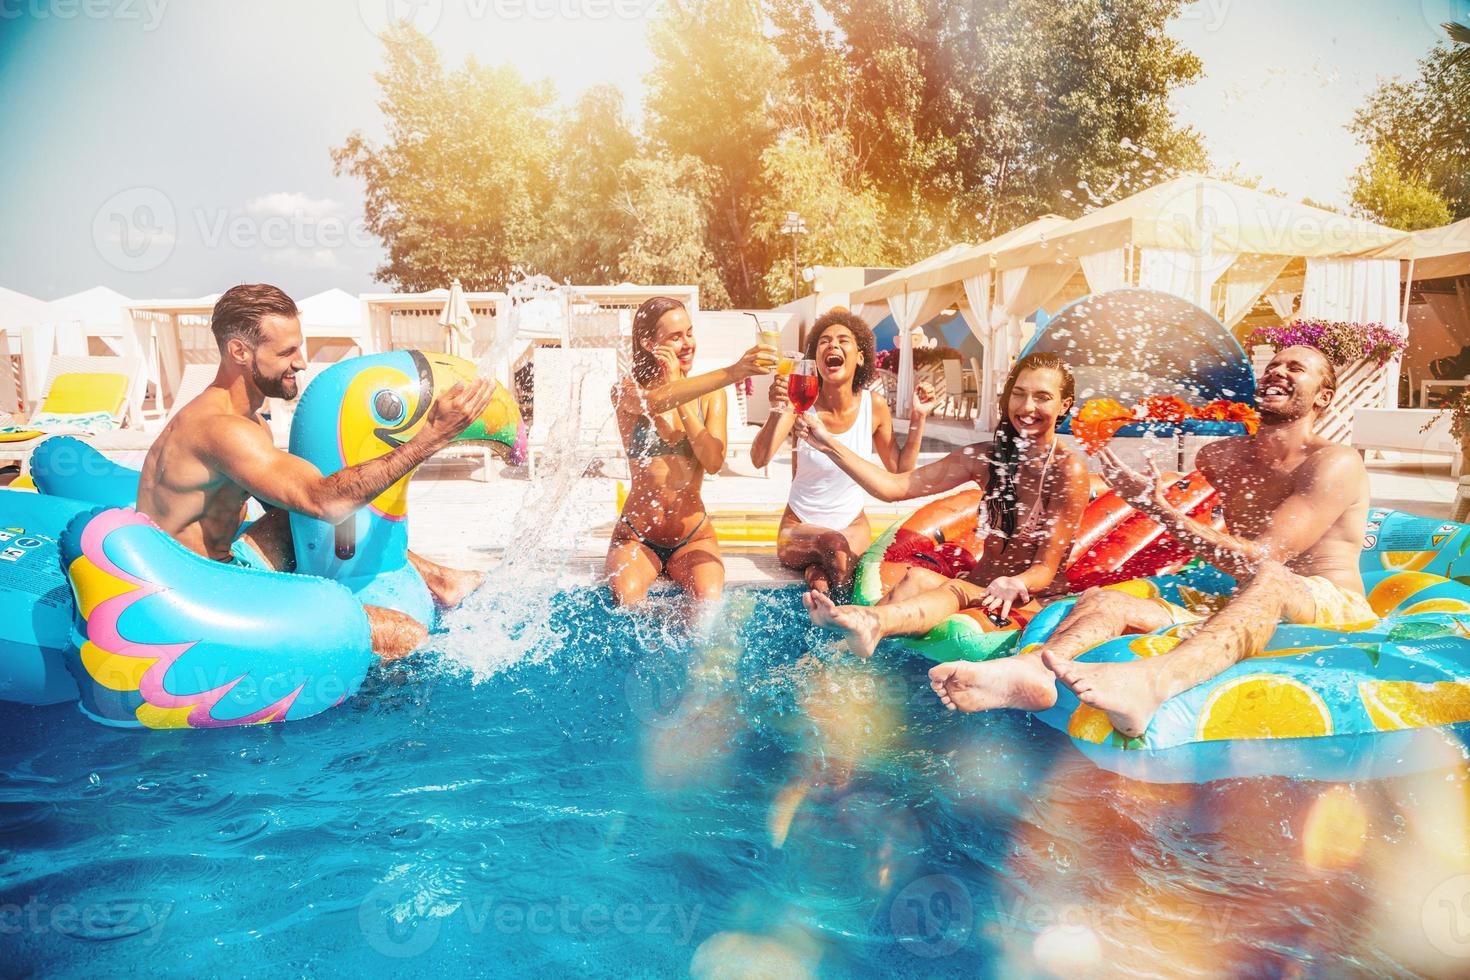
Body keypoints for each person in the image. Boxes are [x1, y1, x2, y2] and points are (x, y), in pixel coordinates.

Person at [929, 345, 1372, 740]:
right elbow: (1228, 550)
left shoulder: (1335, 462)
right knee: (1105, 600)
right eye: (1273, 364)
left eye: (1296, 368)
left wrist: (1158, 509)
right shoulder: (1223, 458)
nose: (1278, 371)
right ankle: (1033, 672)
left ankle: (1151, 685)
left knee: (1271, 577)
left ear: (1324, 397)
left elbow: (1262, 559)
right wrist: (1146, 499)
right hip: (1244, 599)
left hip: (1326, 604)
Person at [135, 283, 490, 660]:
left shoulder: (248, 421)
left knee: (320, 516)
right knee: (405, 634)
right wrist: (431, 438)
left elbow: (298, 509)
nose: (301, 362)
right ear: (239, 351)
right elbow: (325, 503)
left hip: (223, 567)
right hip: (199, 597)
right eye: (286, 351)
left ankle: (439, 579)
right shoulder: (221, 429)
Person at [798, 352, 1091, 657]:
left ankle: (870, 623)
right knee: (917, 578)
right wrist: (827, 443)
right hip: (979, 585)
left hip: (1027, 600)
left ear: (1064, 405)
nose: (1027, 406)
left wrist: (1015, 582)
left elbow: (1045, 569)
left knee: (956, 589)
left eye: (1042, 397)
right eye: (1019, 394)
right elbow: (894, 487)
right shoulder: (988, 458)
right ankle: (838, 651)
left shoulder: (1067, 472)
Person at [606, 296, 776, 606]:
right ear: (648, 342)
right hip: (637, 537)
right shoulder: (626, 391)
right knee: (627, 601)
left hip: (692, 537)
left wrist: (681, 395)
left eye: (689, 332)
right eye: (675, 336)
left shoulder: (712, 397)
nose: (688, 343)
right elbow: (656, 402)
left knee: (708, 601)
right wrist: (735, 370)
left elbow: (713, 462)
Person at [750, 311, 934, 594]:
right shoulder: (799, 402)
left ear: (860, 357)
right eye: (824, 341)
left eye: (842, 340)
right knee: (833, 547)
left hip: (852, 525)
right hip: (799, 526)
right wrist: (778, 410)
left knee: (835, 559)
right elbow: (758, 458)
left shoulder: (874, 406)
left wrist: (918, 419)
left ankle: (817, 576)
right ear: (816, 359)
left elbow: (899, 471)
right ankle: (819, 575)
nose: (832, 345)